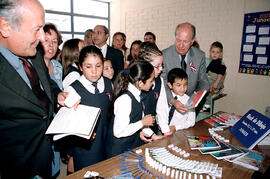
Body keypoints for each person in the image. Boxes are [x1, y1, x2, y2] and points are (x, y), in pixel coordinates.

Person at [0, 0, 68, 178]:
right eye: (36, 29)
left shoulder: (34, 52)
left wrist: (57, 94)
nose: (42, 38)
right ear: (5, 27)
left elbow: (45, 84)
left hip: (46, 158)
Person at [65, 46, 113, 171]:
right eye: (88, 66)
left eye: (98, 66)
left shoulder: (109, 84)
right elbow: (68, 123)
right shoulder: (73, 89)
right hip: (86, 146)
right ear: (80, 67)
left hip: (107, 141)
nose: (94, 71)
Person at [106, 60, 155, 158]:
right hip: (119, 151)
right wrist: (142, 122)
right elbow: (118, 132)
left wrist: (154, 135)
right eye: (151, 80)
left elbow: (136, 121)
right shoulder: (125, 99)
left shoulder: (137, 95)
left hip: (131, 146)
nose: (153, 83)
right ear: (140, 83)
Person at [162, 22, 209, 114]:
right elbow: (162, 82)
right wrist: (172, 100)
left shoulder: (199, 56)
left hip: (191, 105)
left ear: (192, 41)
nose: (181, 45)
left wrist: (196, 98)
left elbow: (203, 81)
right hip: (169, 104)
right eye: (178, 40)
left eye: (185, 41)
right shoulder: (164, 55)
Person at [137, 42, 171, 143]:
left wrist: (166, 130)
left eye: (162, 65)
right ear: (145, 65)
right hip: (137, 131)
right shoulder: (136, 83)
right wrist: (151, 134)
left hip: (152, 130)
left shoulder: (159, 81)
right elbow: (137, 115)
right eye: (157, 66)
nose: (161, 69)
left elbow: (162, 108)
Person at [41, 22, 63, 178]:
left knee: (54, 169)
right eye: (46, 40)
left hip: (57, 124)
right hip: (41, 127)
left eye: (54, 41)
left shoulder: (57, 66)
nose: (51, 45)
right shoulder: (30, 67)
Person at [202, 41, 226, 112]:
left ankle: (207, 107)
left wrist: (216, 83)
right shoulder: (212, 61)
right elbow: (206, 71)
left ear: (221, 54)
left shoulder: (219, 63)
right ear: (210, 52)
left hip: (215, 81)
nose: (215, 54)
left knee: (207, 93)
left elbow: (221, 73)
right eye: (213, 52)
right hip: (211, 80)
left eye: (217, 52)